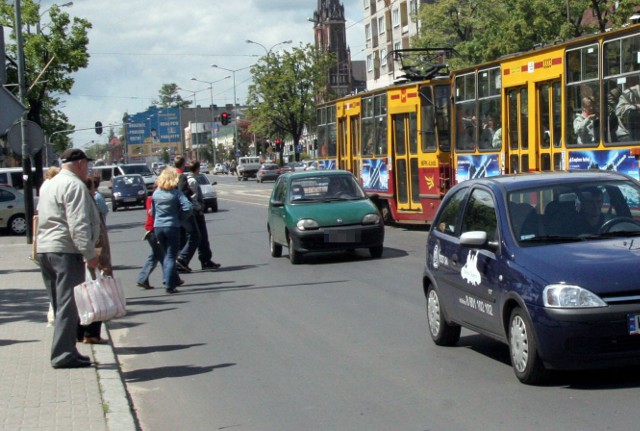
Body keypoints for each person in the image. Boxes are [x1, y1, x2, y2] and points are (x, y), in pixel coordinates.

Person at [37, 148, 101, 368]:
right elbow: (78, 223)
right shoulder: (74, 186)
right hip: (65, 250)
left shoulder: (49, 184)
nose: (88, 170)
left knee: (58, 303)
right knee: (68, 304)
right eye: (88, 165)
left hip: (46, 248)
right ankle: (63, 355)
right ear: (81, 163)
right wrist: (90, 254)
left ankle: (69, 349)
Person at [77, 177, 111, 345]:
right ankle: (91, 334)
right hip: (91, 254)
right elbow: (92, 231)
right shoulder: (88, 202)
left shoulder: (85, 201)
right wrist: (94, 256)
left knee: (83, 295)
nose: (94, 190)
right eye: (92, 187)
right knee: (94, 295)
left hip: (84, 253)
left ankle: (80, 333)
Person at [151, 166, 192, 294]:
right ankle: (169, 284)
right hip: (172, 226)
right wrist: (180, 218)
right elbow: (188, 207)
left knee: (166, 255)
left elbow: (152, 212)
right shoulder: (175, 193)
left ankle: (172, 279)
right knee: (171, 256)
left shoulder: (156, 193)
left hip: (158, 227)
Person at [136, 184, 184, 289]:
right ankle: (170, 280)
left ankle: (143, 279)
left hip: (154, 230)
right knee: (166, 256)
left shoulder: (154, 198)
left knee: (156, 256)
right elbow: (152, 213)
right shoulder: (154, 199)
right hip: (154, 230)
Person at [184, 160, 221, 270]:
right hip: (195, 213)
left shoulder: (187, 179)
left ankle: (205, 260)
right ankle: (183, 260)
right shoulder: (192, 181)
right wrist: (200, 208)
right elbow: (193, 199)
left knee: (200, 238)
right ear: (197, 168)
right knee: (198, 237)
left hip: (192, 213)